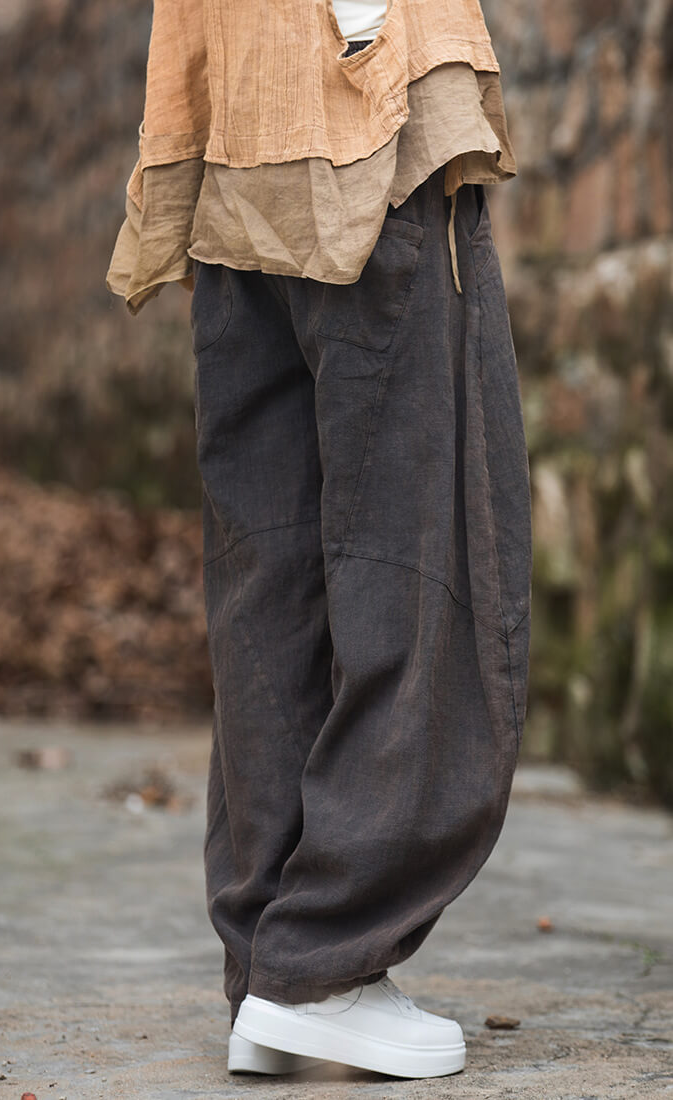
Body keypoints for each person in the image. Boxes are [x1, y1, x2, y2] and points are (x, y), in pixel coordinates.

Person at [107, 0, 532, 1080]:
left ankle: (275, 963)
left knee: (272, 568)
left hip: (229, 116)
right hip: (366, 98)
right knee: (427, 555)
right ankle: (324, 965)